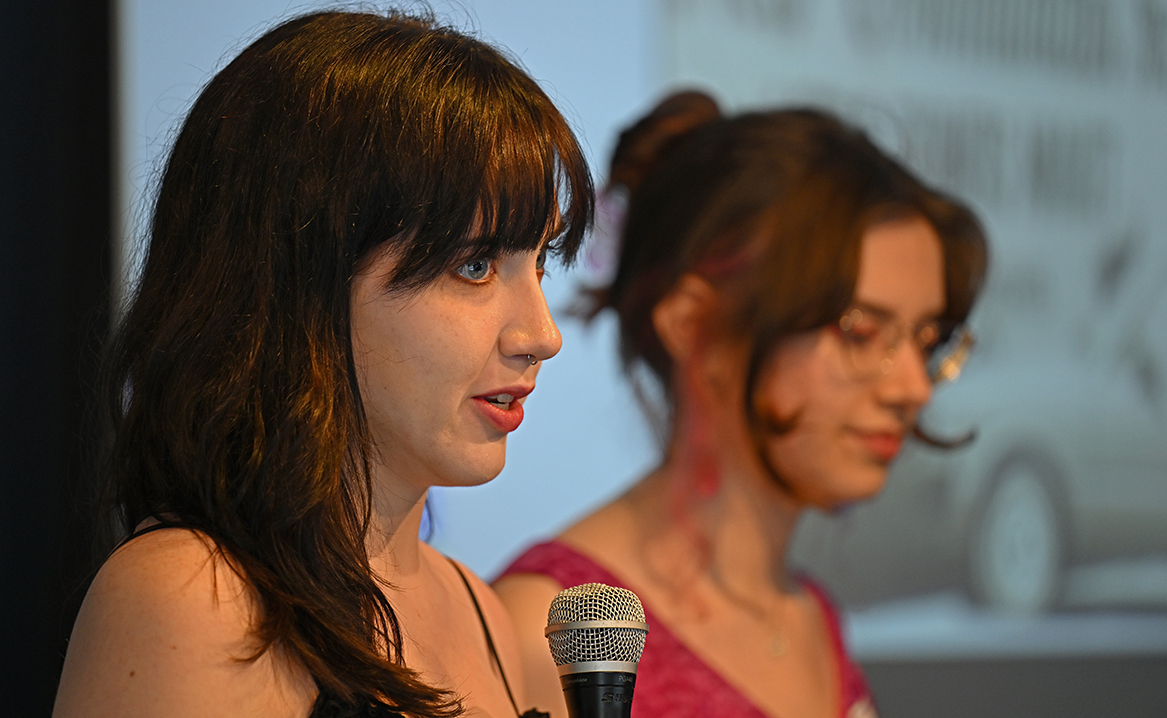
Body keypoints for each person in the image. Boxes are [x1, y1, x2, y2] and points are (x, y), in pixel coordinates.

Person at [53, 11, 592, 718]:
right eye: (474, 264)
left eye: (540, 262)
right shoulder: (193, 597)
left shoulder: (481, 611)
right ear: (302, 278)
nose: (540, 335)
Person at [494, 91, 987, 718]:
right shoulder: (556, 635)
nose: (912, 387)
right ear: (695, 326)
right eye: (861, 333)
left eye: (926, 340)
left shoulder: (809, 613)